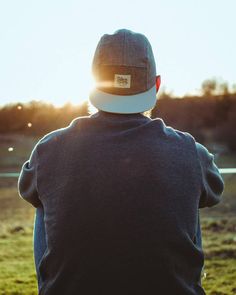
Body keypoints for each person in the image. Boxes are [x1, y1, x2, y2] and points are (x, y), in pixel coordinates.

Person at [18, 29, 224, 295]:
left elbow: (27, 188)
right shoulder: (189, 150)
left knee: (43, 194)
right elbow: (215, 189)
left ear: (91, 83)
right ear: (156, 85)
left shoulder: (49, 149)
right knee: (189, 184)